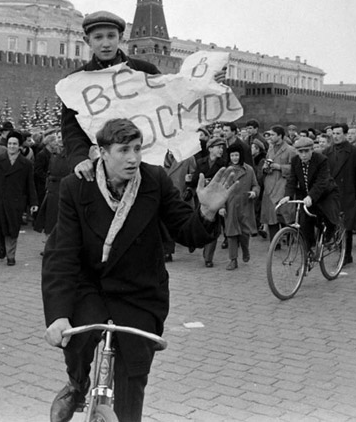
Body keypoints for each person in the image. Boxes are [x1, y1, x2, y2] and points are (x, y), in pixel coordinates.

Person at [42, 118, 237, 422]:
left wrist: (207, 212)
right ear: (102, 152)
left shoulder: (154, 181)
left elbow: (186, 232)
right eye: (123, 150)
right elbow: (62, 255)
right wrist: (57, 314)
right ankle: (77, 385)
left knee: (134, 376)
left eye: (137, 149)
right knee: (77, 341)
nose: (133, 158)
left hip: (140, 292)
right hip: (91, 286)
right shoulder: (76, 187)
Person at [61, 11, 161, 182]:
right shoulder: (75, 82)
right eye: (98, 37)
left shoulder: (145, 72)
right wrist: (80, 158)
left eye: (111, 36)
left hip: (143, 165)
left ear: (120, 37)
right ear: (87, 41)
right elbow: (71, 129)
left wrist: (206, 85)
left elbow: (172, 99)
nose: (105, 43)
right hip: (99, 169)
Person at [0, 131, 38, 266]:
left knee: (13, 229)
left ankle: (11, 256)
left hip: (16, 202)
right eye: (10, 143)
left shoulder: (26, 164)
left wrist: (33, 202)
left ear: (19, 146)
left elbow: (30, 184)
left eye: (15, 144)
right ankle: (2, 247)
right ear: (7, 145)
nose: (12, 146)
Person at [278, 136, 342, 256]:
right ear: (297, 152)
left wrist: (311, 196)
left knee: (329, 215)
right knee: (304, 221)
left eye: (306, 151)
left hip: (325, 193)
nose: (303, 155)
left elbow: (322, 181)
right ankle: (308, 249)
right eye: (300, 151)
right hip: (306, 194)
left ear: (312, 150)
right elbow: (292, 180)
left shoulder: (321, 160)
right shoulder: (295, 161)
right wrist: (288, 195)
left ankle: (330, 234)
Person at [324, 124, 356, 263]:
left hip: (348, 192)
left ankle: (346, 255)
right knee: (332, 221)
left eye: (338, 133)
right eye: (333, 134)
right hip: (331, 193)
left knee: (346, 226)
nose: (335, 136)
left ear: (345, 134)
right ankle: (338, 248)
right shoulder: (326, 152)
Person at [187, 137, 227, 267]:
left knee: (213, 229)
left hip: (214, 201)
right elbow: (195, 181)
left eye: (222, 147)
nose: (221, 150)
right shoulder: (200, 162)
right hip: (201, 199)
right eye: (218, 147)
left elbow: (224, 186)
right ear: (210, 149)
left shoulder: (224, 165)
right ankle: (193, 242)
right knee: (197, 224)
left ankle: (208, 258)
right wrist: (189, 180)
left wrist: (222, 206)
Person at [219, 143, 258, 270]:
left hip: (245, 205)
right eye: (232, 155)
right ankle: (233, 260)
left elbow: (256, 185)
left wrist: (254, 192)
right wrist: (222, 207)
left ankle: (245, 250)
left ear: (241, 156)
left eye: (237, 155)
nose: (235, 158)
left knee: (244, 233)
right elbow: (221, 191)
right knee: (231, 234)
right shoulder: (225, 171)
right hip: (230, 206)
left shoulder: (249, 170)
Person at [261, 126, 296, 243]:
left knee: (285, 213)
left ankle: (290, 238)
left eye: (272, 135)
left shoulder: (290, 150)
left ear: (280, 135)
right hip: (270, 184)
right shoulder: (270, 150)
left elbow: (295, 168)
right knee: (271, 215)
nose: (270, 137)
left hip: (283, 184)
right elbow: (266, 163)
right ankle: (275, 242)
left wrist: (280, 167)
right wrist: (266, 167)